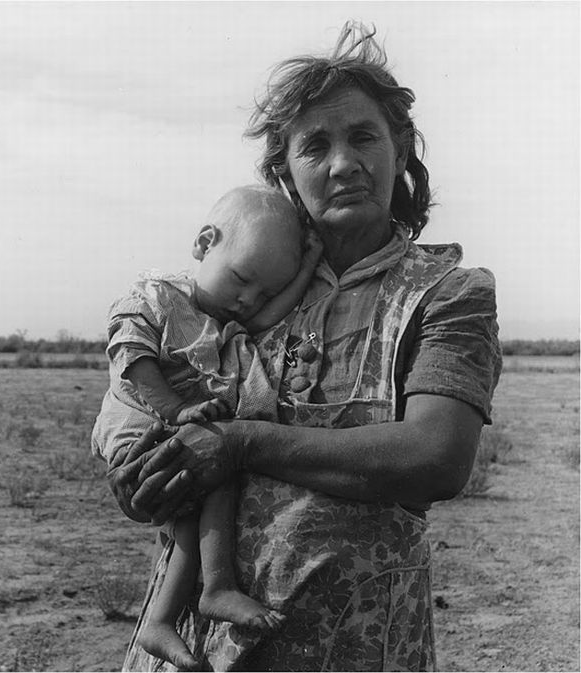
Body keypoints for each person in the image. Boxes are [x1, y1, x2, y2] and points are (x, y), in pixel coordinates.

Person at [93, 20, 502, 672]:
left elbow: (437, 454)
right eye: (315, 146)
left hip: (356, 642)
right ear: (285, 170)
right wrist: (147, 478)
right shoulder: (250, 286)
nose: (344, 162)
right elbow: (159, 400)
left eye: (364, 136)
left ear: (399, 148)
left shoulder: (446, 293)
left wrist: (240, 442)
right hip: (198, 652)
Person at [93, 185, 323, 670]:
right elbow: (131, 358)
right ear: (204, 244)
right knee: (188, 502)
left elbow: (271, 313)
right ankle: (179, 608)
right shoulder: (156, 296)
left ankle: (205, 594)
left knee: (214, 484)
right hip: (140, 425)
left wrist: (305, 270)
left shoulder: (224, 319)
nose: (247, 299)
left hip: (188, 430)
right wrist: (175, 410)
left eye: (262, 291)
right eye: (242, 279)